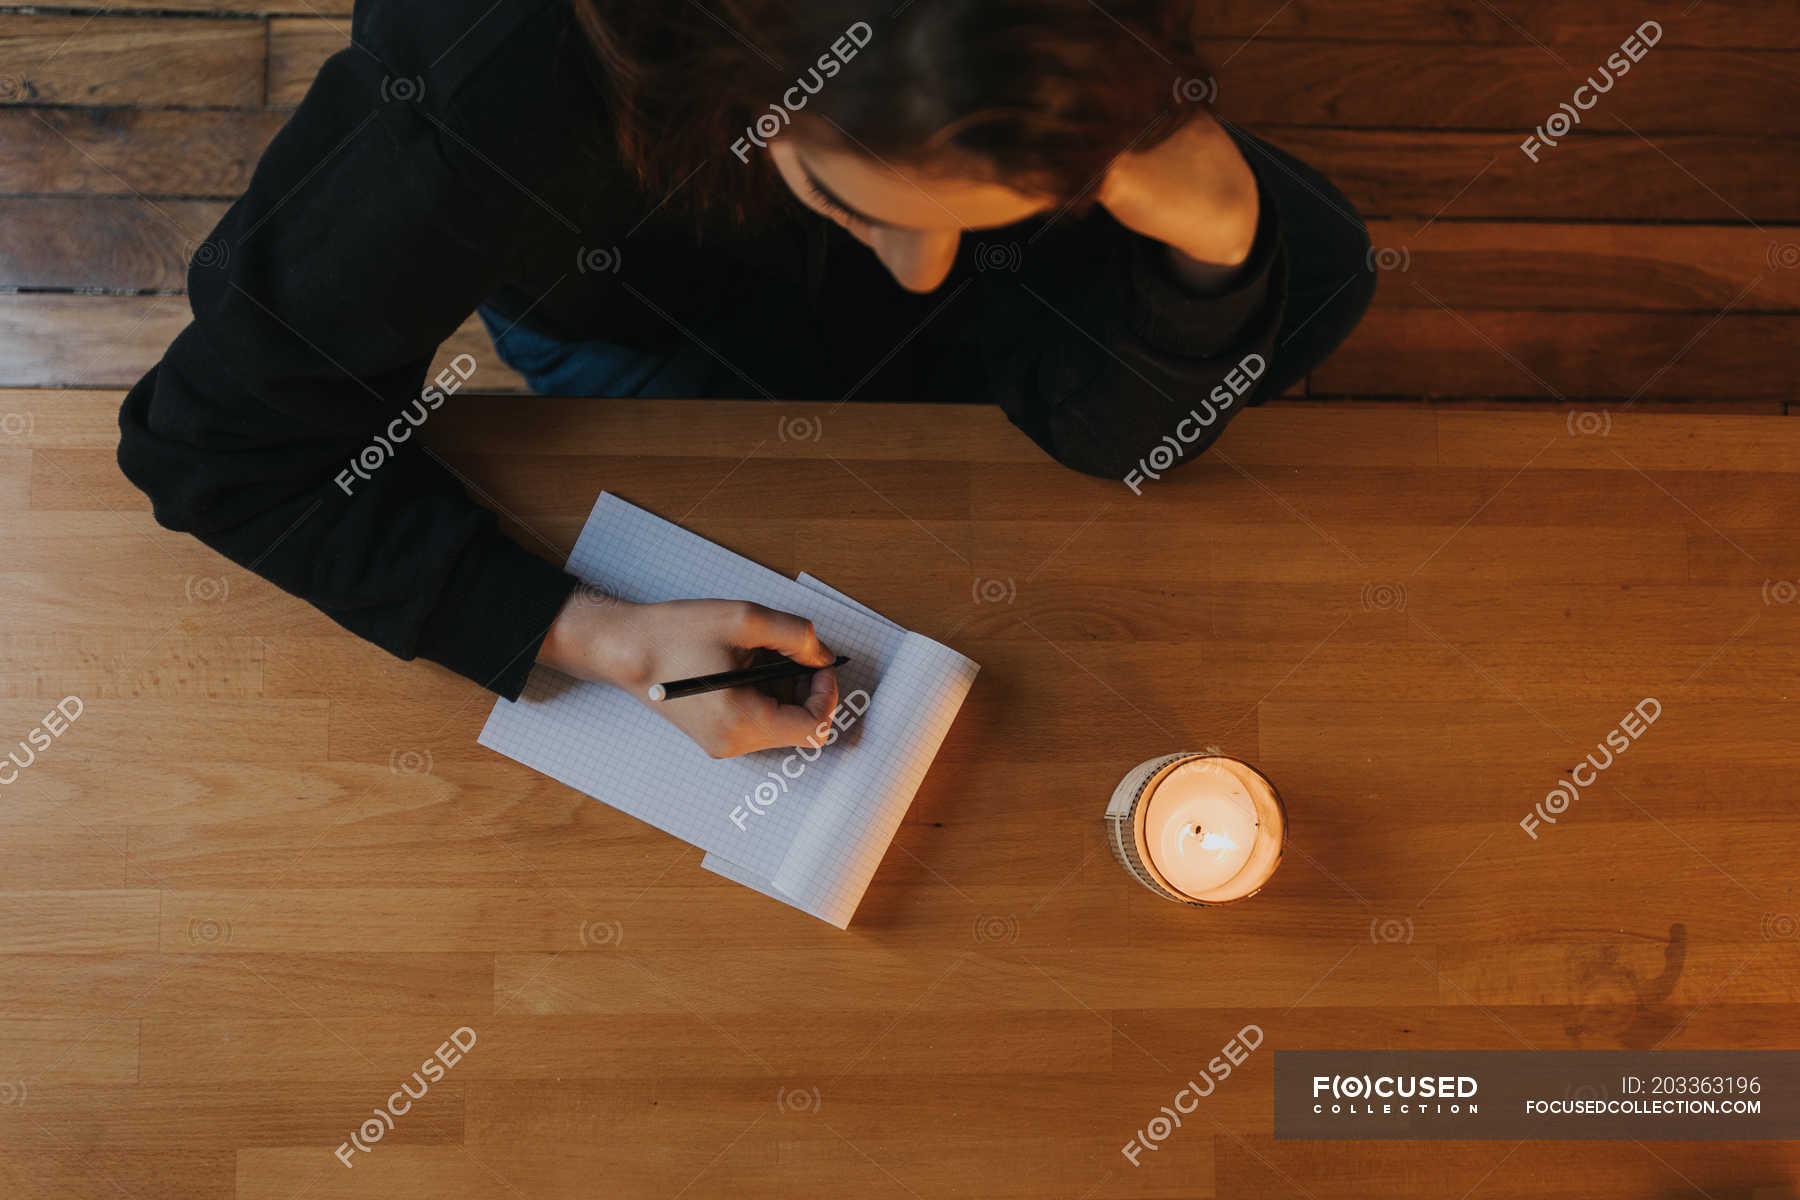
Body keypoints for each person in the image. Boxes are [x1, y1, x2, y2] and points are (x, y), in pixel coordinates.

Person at [117, 0, 1375, 758]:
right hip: (638, 315)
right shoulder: (483, 101)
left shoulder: (1028, 85)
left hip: (994, 223)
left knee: (1299, 276)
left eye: (975, 214)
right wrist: (593, 633)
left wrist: (1210, 235)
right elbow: (215, 442)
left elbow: (1117, 434)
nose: (919, 275)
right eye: (851, 196)